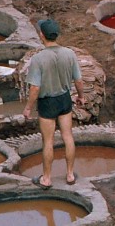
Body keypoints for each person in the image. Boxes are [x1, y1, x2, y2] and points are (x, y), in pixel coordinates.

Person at [23, 19, 85, 188]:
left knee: (48, 141)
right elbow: (78, 80)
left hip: (47, 102)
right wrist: (81, 96)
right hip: (64, 98)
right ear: (57, 35)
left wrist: (28, 107)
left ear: (41, 35)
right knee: (68, 136)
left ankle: (47, 179)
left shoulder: (38, 59)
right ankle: (70, 175)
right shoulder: (69, 54)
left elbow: (35, 88)